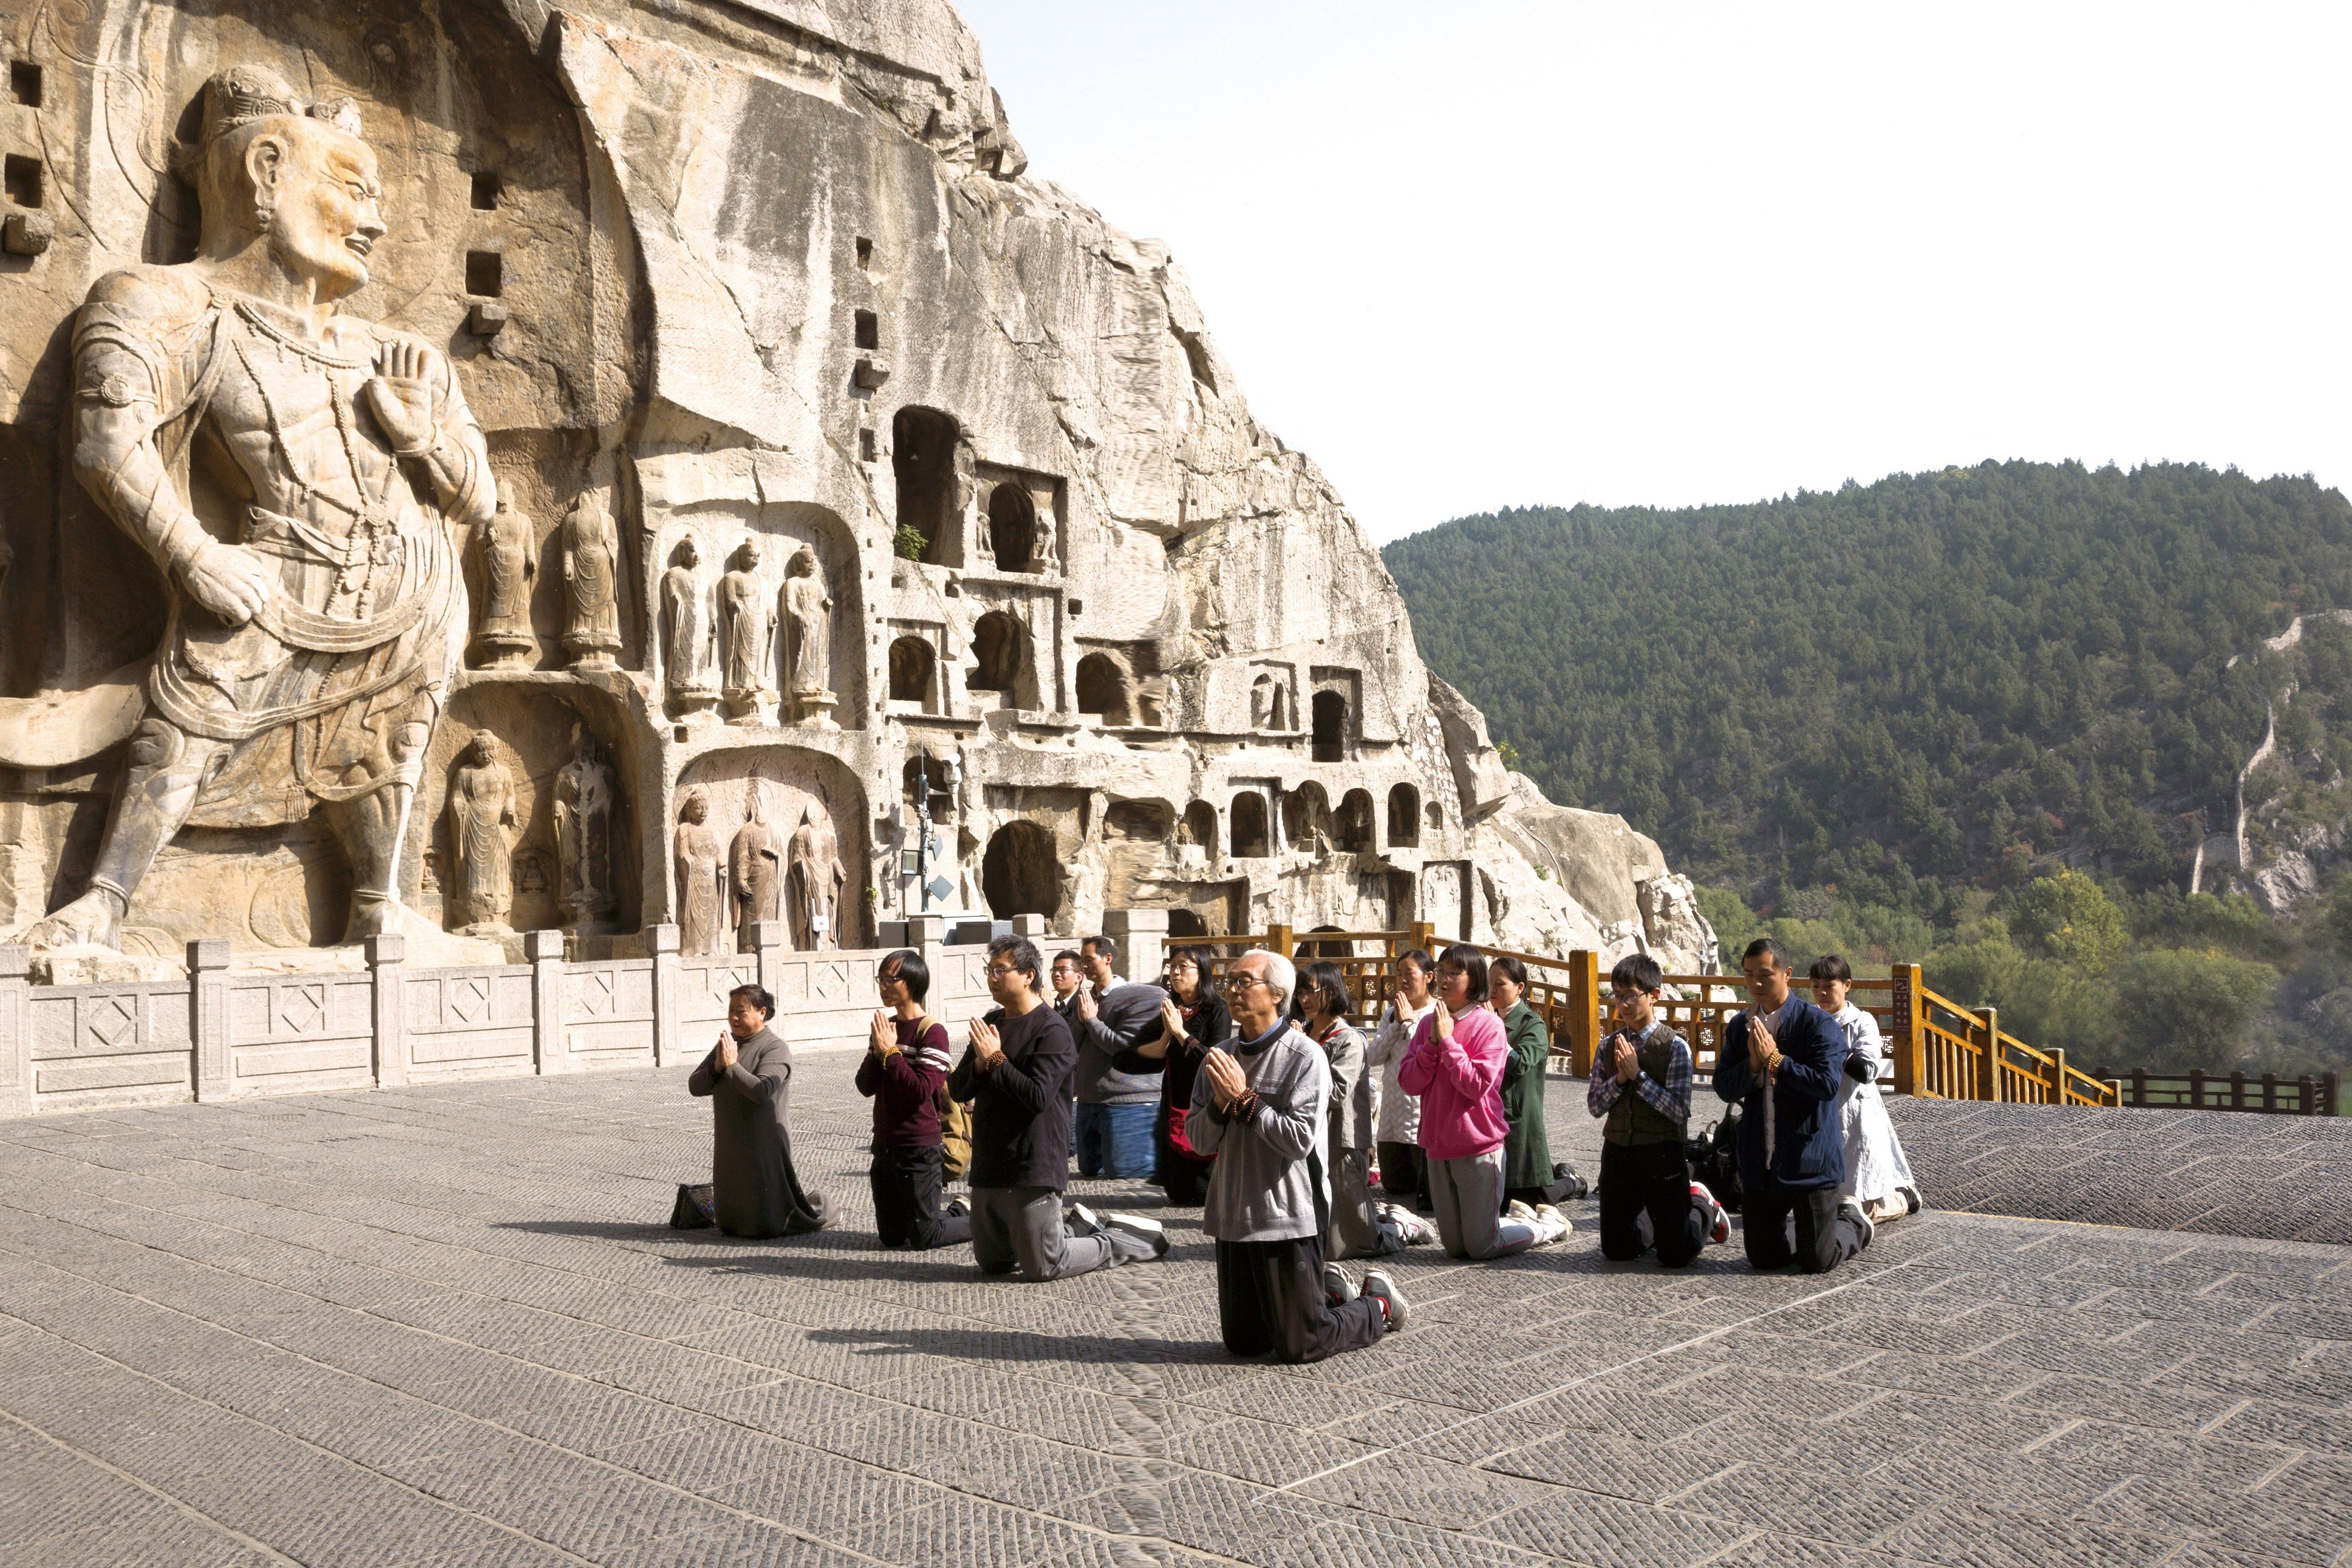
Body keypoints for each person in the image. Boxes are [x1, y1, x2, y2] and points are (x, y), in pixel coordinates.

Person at [1189, 949, 1406, 1360]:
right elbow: (1199, 1142)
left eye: (1243, 982)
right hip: (1233, 1214)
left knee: (1302, 1344)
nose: (1232, 991)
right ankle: (1325, 1292)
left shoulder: (1305, 1056)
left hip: (1287, 1215)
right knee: (1245, 1345)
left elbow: (1299, 1140)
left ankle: (1376, 1304)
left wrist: (1246, 1102)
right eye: (1228, 982)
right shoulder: (1219, 1058)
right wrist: (1220, 1105)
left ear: (1276, 994)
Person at [946, 935, 1165, 1280]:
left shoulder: (1052, 1029)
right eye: (990, 970)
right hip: (990, 1162)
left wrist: (996, 1060)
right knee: (995, 1263)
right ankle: (1074, 1226)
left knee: (1045, 1265)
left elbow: (1037, 1096)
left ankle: (1123, 1240)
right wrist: (979, 1064)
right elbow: (958, 1090)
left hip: (1034, 1164)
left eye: (1000, 970)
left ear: (1029, 975)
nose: (992, 977)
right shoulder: (993, 1022)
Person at [1713, 938, 1873, 1273]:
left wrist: (1776, 1060)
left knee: (1817, 1261)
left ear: (1787, 974)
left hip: (1810, 1161)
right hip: (1762, 1162)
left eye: (1766, 975)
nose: (1756, 983)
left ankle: (1853, 1222)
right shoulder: (1740, 1025)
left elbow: (1827, 1085)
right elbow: (1724, 1087)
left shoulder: (1817, 1024)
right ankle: (1804, 1231)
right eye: (1748, 974)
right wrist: (1753, 1068)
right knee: (1764, 1260)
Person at [1399, 946, 1570, 1259]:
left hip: (1478, 1146)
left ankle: (1546, 1228)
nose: (1445, 979)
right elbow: (1409, 1083)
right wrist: (1433, 1042)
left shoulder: (1489, 1026)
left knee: (1481, 1246)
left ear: (1473, 978)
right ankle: (1515, 1220)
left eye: (1455, 973)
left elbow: (1476, 1085)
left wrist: (1449, 1042)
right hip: (1437, 1147)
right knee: (1454, 1247)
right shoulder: (1428, 1025)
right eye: (1442, 972)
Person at [1587, 953, 1728, 1267]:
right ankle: (1656, 1226)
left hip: (1662, 1152)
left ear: (1654, 996)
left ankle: (1703, 1206)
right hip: (1619, 1150)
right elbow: (1595, 1106)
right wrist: (1620, 1079)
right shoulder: (1608, 1046)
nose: (1622, 1004)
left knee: (1676, 1255)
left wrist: (1639, 1077)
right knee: (1617, 1250)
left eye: (1631, 996)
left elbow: (1679, 1112)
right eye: (1617, 996)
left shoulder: (1675, 1047)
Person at [1294, 960, 1427, 1260]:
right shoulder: (1301, 1033)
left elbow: (1337, 1092)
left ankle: (1402, 1228)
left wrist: (1302, 1052)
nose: (1304, 1000)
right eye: (1301, 993)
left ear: (1331, 991)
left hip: (1343, 1137)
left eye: (1311, 992)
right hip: (1308, 1134)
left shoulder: (1349, 1039)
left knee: (1357, 1240)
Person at [687, 985, 831, 1238]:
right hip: (730, 1141)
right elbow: (695, 1086)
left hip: (763, 1141)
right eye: (731, 1011)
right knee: (730, 1222)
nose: (734, 1018)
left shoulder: (775, 1048)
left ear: (762, 1013)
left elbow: (762, 1091)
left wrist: (731, 1067)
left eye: (741, 1012)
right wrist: (717, 1066)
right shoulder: (728, 1044)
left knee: (767, 1223)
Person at [855, 951, 969, 1250]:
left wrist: (891, 1054)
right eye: (881, 978)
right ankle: (950, 1213)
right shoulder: (887, 1029)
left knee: (924, 1237)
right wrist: (877, 1052)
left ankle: (982, 1218)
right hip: (886, 1145)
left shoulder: (932, 1032)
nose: (884, 986)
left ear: (914, 982)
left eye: (892, 979)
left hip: (919, 1146)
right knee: (892, 1238)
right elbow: (865, 1087)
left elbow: (920, 1091)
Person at [1110, 948, 1231, 1205]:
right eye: (1172, 966)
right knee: (1176, 1178)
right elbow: (1147, 1052)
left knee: (1202, 1163)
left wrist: (1180, 1033)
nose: (1175, 972)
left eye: (1183, 967)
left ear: (1202, 973)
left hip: (1204, 1094)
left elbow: (1215, 1057)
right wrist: (1167, 1034)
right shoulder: (1172, 1008)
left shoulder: (1217, 1009)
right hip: (1173, 1091)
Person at [1810, 955, 1921, 1225]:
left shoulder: (1862, 1022)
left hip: (1855, 1114)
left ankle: (1903, 1200)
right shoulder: (1809, 1020)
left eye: (1829, 985)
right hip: (1819, 1113)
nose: (1822, 993)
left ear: (1847, 985)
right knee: (1825, 1199)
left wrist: (1832, 1043)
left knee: (1856, 1197)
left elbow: (1867, 1070)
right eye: (1816, 986)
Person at [1069, 935, 1165, 1181]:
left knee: (1124, 1176)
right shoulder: (1085, 997)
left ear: (1108, 959)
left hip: (1124, 1102)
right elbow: (1071, 1044)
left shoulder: (1140, 996)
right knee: (1088, 1171)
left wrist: (1092, 1020)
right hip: (1089, 1100)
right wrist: (1083, 1019)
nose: (1084, 966)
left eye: (1089, 959)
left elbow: (1126, 1048)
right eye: (1081, 961)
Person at [1365, 949, 1436, 1212]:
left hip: (1420, 1111)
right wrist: (1396, 1024)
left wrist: (1408, 1023)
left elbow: (1429, 1051)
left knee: (1425, 1190)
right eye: (1399, 974)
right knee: (1394, 1186)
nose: (1403, 980)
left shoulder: (1438, 1012)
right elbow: (1372, 1057)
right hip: (1393, 1113)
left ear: (1429, 977)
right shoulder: (1390, 1014)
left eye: (1410, 974)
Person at [1490, 955, 1558, 1209]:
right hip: (1488, 1111)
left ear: (1520, 988)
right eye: (1490, 984)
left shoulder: (1533, 1024)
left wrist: (1494, 1030)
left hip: (1517, 1114)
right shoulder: (1487, 1016)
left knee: (1534, 1198)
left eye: (1500, 984)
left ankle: (1569, 1181)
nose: (1493, 990)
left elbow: (1519, 1064)